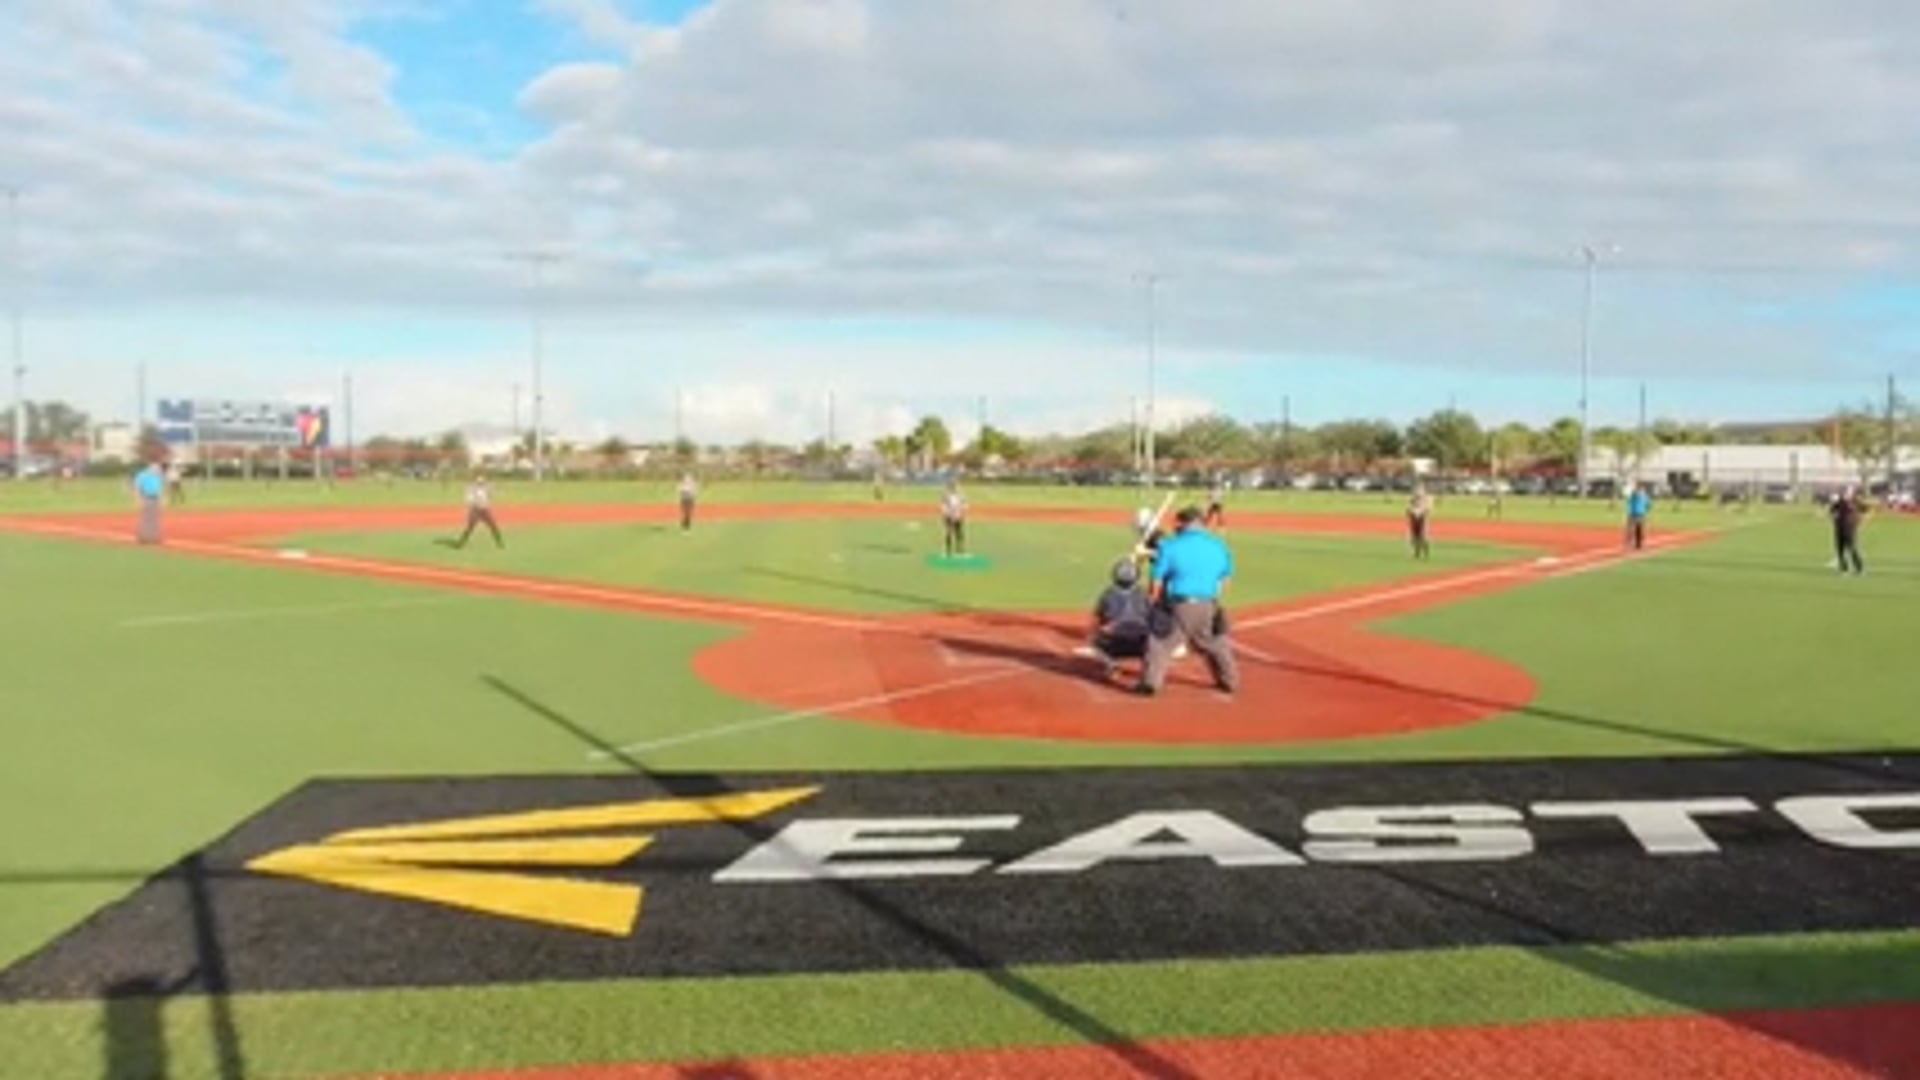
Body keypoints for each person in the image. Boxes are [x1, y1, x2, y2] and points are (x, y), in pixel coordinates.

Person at [1136, 507, 1239, 698]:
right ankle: (1229, 681)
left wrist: (1154, 602)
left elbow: (1157, 581)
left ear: (1185, 523)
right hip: (1208, 605)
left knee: (1159, 643)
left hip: (1179, 605)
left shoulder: (1170, 546)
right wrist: (1212, 597)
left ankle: (1150, 684)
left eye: (1177, 523)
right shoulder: (1219, 546)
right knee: (1214, 644)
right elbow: (1226, 578)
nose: (1174, 526)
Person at [1082, 559, 1153, 679]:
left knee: (1095, 640)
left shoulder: (1107, 594)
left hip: (1115, 645)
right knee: (1152, 639)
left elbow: (1096, 619)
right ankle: (1148, 670)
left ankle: (1112, 665)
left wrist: (1092, 635)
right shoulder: (1143, 594)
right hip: (1141, 644)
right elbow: (1153, 617)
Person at [453, 472, 505, 549]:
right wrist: (473, 503)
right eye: (479, 481)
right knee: (470, 527)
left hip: (485, 510)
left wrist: (496, 492)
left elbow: (492, 494)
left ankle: (499, 543)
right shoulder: (471, 488)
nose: (481, 482)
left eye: (482, 481)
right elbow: (469, 499)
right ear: (476, 480)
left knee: (493, 526)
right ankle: (460, 544)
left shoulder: (487, 487)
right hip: (476, 510)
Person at [1831, 486, 1867, 575]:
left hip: (1850, 529)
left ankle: (1859, 568)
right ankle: (1844, 568)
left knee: (1852, 548)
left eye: (1847, 493)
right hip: (1839, 528)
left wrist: (1861, 521)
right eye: (1844, 493)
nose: (1845, 495)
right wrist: (1834, 517)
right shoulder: (1839, 502)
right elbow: (1832, 511)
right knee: (1840, 549)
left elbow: (1866, 510)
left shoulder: (1856, 502)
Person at [133, 460, 166, 545]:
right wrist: (138, 499)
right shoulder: (142, 475)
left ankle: (154, 537)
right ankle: (144, 537)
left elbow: (160, 489)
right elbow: (137, 487)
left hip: (155, 498)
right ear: (150, 468)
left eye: (158, 469)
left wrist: (162, 499)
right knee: (146, 518)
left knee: (155, 519)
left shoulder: (158, 477)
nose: (158, 470)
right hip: (146, 497)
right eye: (156, 469)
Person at [940, 479, 967, 557]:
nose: (954, 488)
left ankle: (959, 548)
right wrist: (949, 514)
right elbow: (943, 506)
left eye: (955, 486)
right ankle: (948, 550)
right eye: (952, 486)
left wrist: (960, 514)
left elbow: (964, 505)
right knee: (948, 532)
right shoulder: (946, 496)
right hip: (949, 517)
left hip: (958, 516)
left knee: (959, 532)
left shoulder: (961, 495)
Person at [1407, 484, 1433, 560]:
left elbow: (1428, 510)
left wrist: (1421, 513)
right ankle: (1416, 553)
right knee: (1414, 538)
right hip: (1414, 519)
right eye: (1417, 491)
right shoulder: (1412, 500)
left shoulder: (1427, 499)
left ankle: (1426, 553)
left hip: (1422, 519)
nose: (1418, 493)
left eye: (1420, 491)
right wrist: (1411, 513)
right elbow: (1408, 510)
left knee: (1423, 537)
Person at [1625, 482, 1652, 550]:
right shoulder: (1644, 495)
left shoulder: (1635, 494)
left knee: (1634, 529)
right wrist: (1646, 511)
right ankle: (1637, 544)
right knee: (1637, 529)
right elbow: (1648, 505)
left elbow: (1629, 500)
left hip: (1636, 513)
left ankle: (1634, 543)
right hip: (1638, 513)